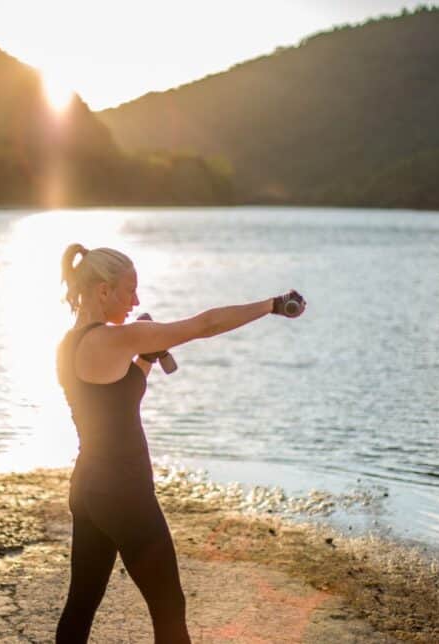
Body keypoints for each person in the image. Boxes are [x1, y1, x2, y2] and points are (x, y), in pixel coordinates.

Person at [55, 243, 306, 643]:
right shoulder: (115, 339)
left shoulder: (71, 344)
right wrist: (272, 305)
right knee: (170, 610)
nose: (136, 300)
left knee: (81, 605)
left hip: (88, 488)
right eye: (129, 290)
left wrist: (145, 358)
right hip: (123, 493)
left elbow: (117, 398)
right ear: (103, 292)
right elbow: (204, 325)